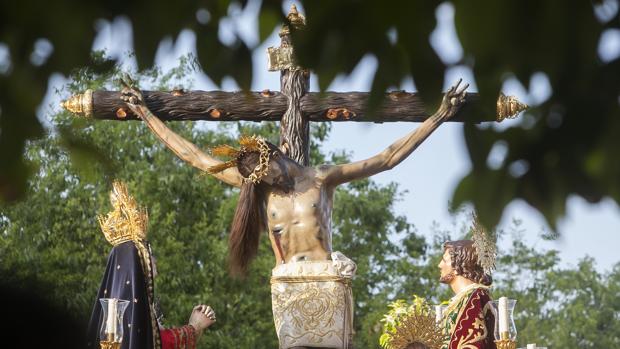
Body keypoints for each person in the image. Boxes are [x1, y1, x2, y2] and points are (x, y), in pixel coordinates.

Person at [120, 79, 468, 349]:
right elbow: (197, 157)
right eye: (261, 180)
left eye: (269, 174)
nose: (269, 183)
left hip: (326, 280)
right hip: (287, 282)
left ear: (275, 154)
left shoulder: (321, 178)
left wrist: (437, 115)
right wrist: (147, 114)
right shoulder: (259, 186)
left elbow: (386, 158)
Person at [86, 181, 216, 349]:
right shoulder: (122, 317)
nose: (154, 262)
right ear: (138, 263)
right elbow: (156, 343)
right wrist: (194, 327)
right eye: (149, 255)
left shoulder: (136, 308)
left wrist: (194, 327)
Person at [437, 214, 497, 349]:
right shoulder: (462, 300)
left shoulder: (475, 297)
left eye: (445, 260)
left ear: (458, 267)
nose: (439, 265)